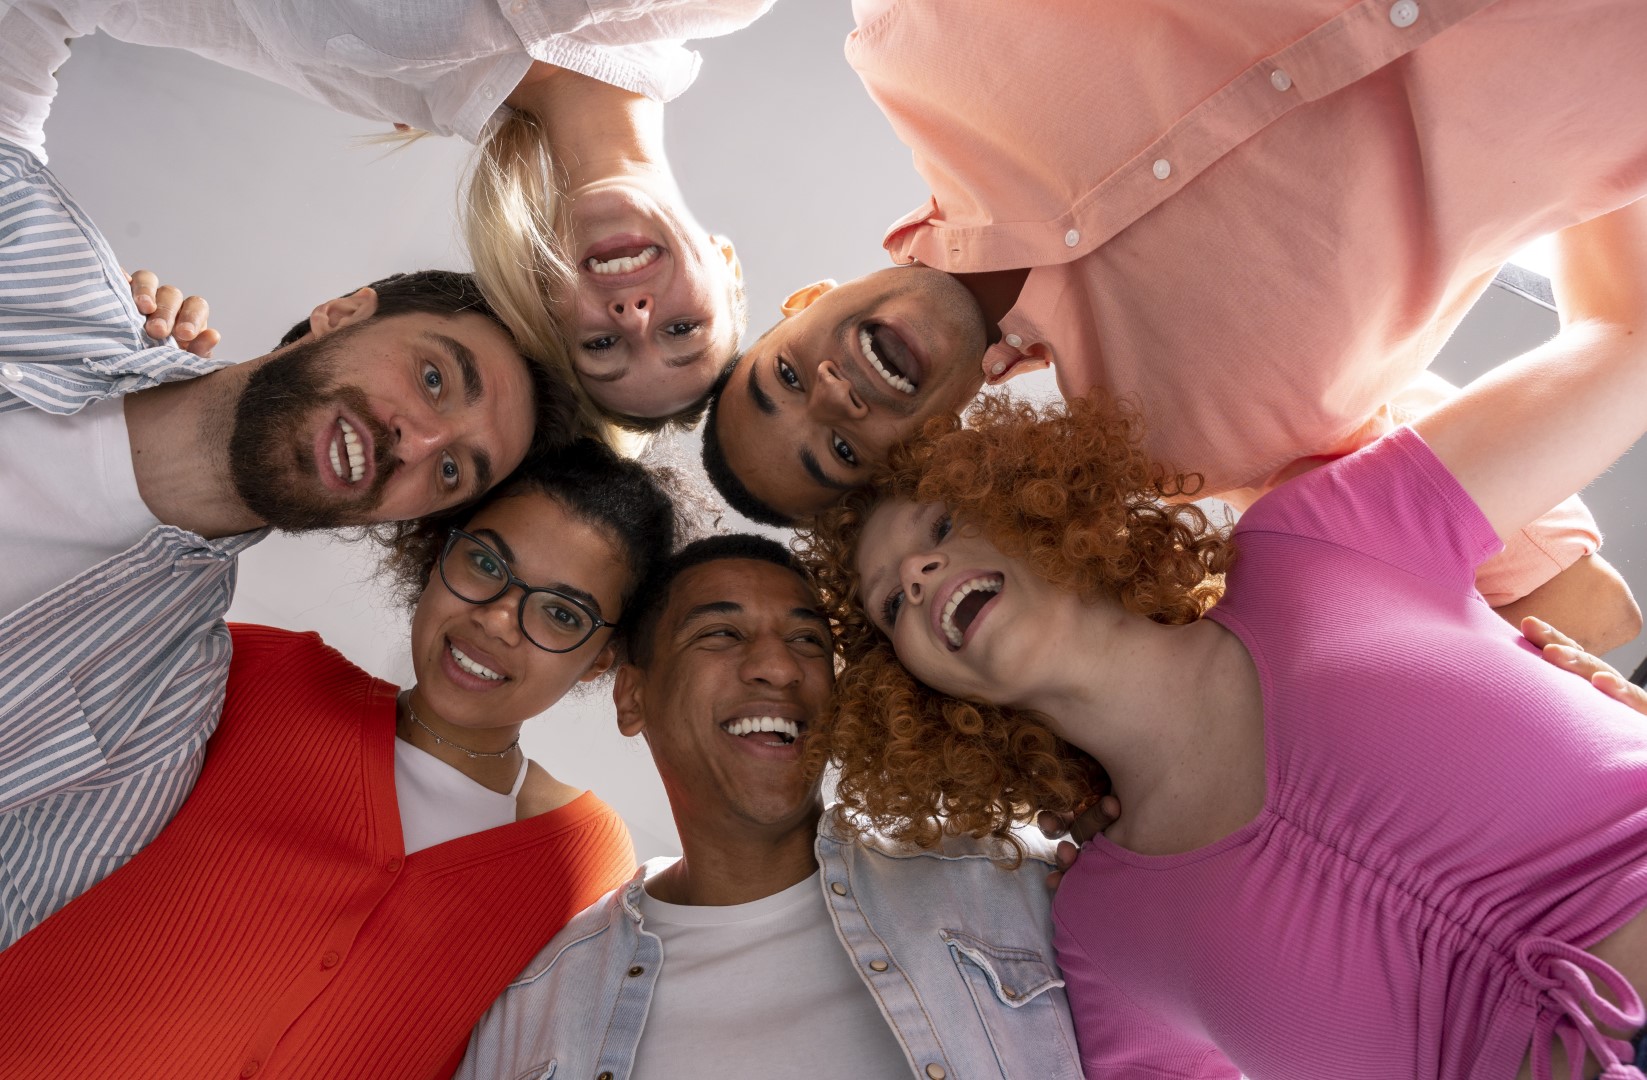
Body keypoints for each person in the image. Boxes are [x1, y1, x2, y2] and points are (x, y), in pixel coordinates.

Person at [798, 198, 1647, 1078]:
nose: (916, 577)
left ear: (1033, 505)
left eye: (938, 528)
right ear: (926, 692)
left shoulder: (1321, 544)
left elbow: (1620, 335)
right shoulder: (1101, 934)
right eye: (889, 604)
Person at [703, 0, 1647, 652]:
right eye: (837, 450)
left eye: (782, 379)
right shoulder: (1195, 440)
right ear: (918, 460)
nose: (829, 395)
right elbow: (1583, 611)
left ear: (800, 306)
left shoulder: (911, 37)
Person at [0, 81, 574, 940]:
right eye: (432, 377)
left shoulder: (156, 718)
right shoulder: (37, 273)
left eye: (452, 468)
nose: (413, 441)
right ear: (342, 314)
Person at [0, 439, 678, 1078]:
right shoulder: (257, 673)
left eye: (562, 614)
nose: (499, 619)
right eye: (485, 564)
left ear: (602, 660)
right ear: (437, 548)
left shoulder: (586, 868)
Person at [454, 534, 1084, 1080]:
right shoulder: (531, 1009)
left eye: (808, 640)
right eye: (721, 633)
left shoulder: (1019, 885)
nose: (780, 667)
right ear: (632, 698)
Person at [0, 0, 770, 432]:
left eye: (602, 344)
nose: (635, 317)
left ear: (547, 306)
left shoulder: (404, 90)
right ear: (725, 267)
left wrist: (62, 291)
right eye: (681, 331)